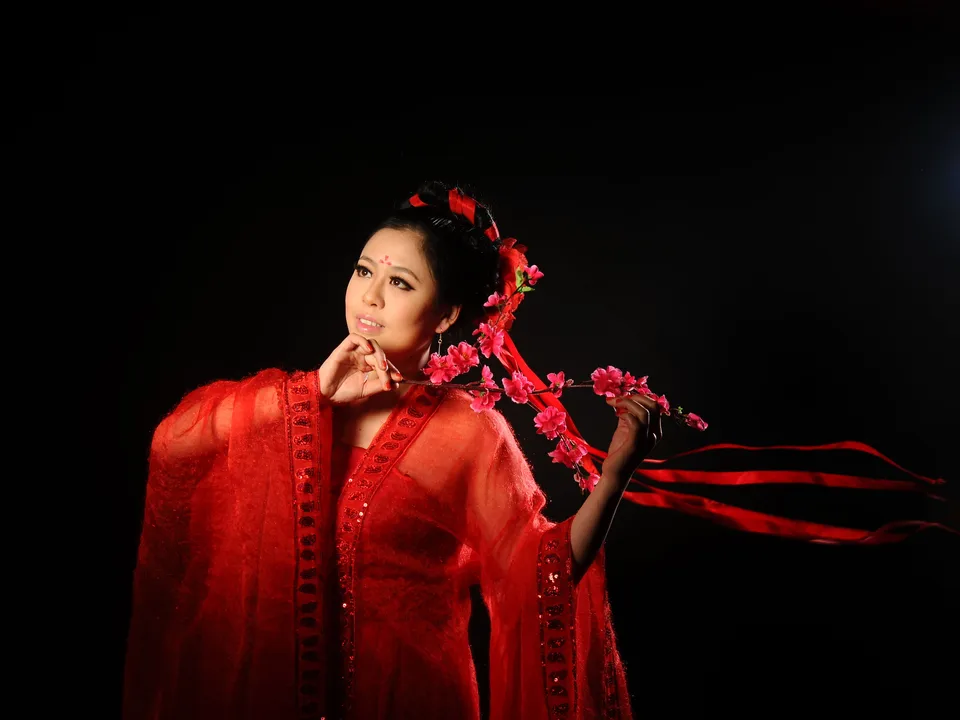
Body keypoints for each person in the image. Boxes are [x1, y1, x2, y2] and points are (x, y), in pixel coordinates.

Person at [123, 181, 650, 719]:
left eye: (399, 282)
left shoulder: (469, 433)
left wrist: (613, 478)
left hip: (411, 694)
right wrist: (313, 392)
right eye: (363, 271)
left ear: (445, 315)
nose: (370, 297)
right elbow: (174, 447)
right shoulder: (291, 401)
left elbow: (538, 571)